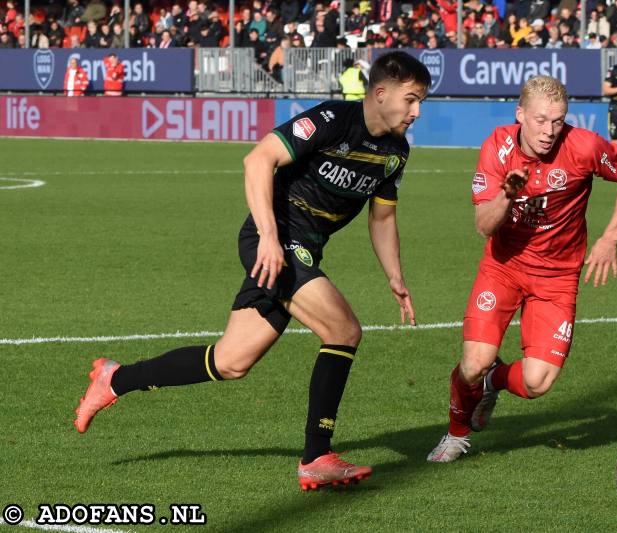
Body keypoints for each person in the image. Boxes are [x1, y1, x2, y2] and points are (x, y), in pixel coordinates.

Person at [73, 51, 432, 490]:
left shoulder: (396, 152)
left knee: (231, 361)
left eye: (421, 102)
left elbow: (382, 218)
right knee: (344, 331)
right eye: (411, 100)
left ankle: (116, 378)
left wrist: (394, 277)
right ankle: (316, 454)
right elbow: (257, 160)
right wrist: (267, 235)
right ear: (380, 94)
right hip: (274, 241)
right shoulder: (333, 119)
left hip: (300, 253)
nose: (416, 112)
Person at [426, 75, 617, 462]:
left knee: (537, 382)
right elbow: (483, 226)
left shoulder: (584, 146)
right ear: (520, 115)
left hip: (557, 277)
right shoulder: (497, 146)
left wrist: (611, 237)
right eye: (541, 120)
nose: (549, 131)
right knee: (472, 363)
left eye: (558, 121)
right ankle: (457, 433)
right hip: (504, 267)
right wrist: (507, 195)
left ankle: (495, 381)